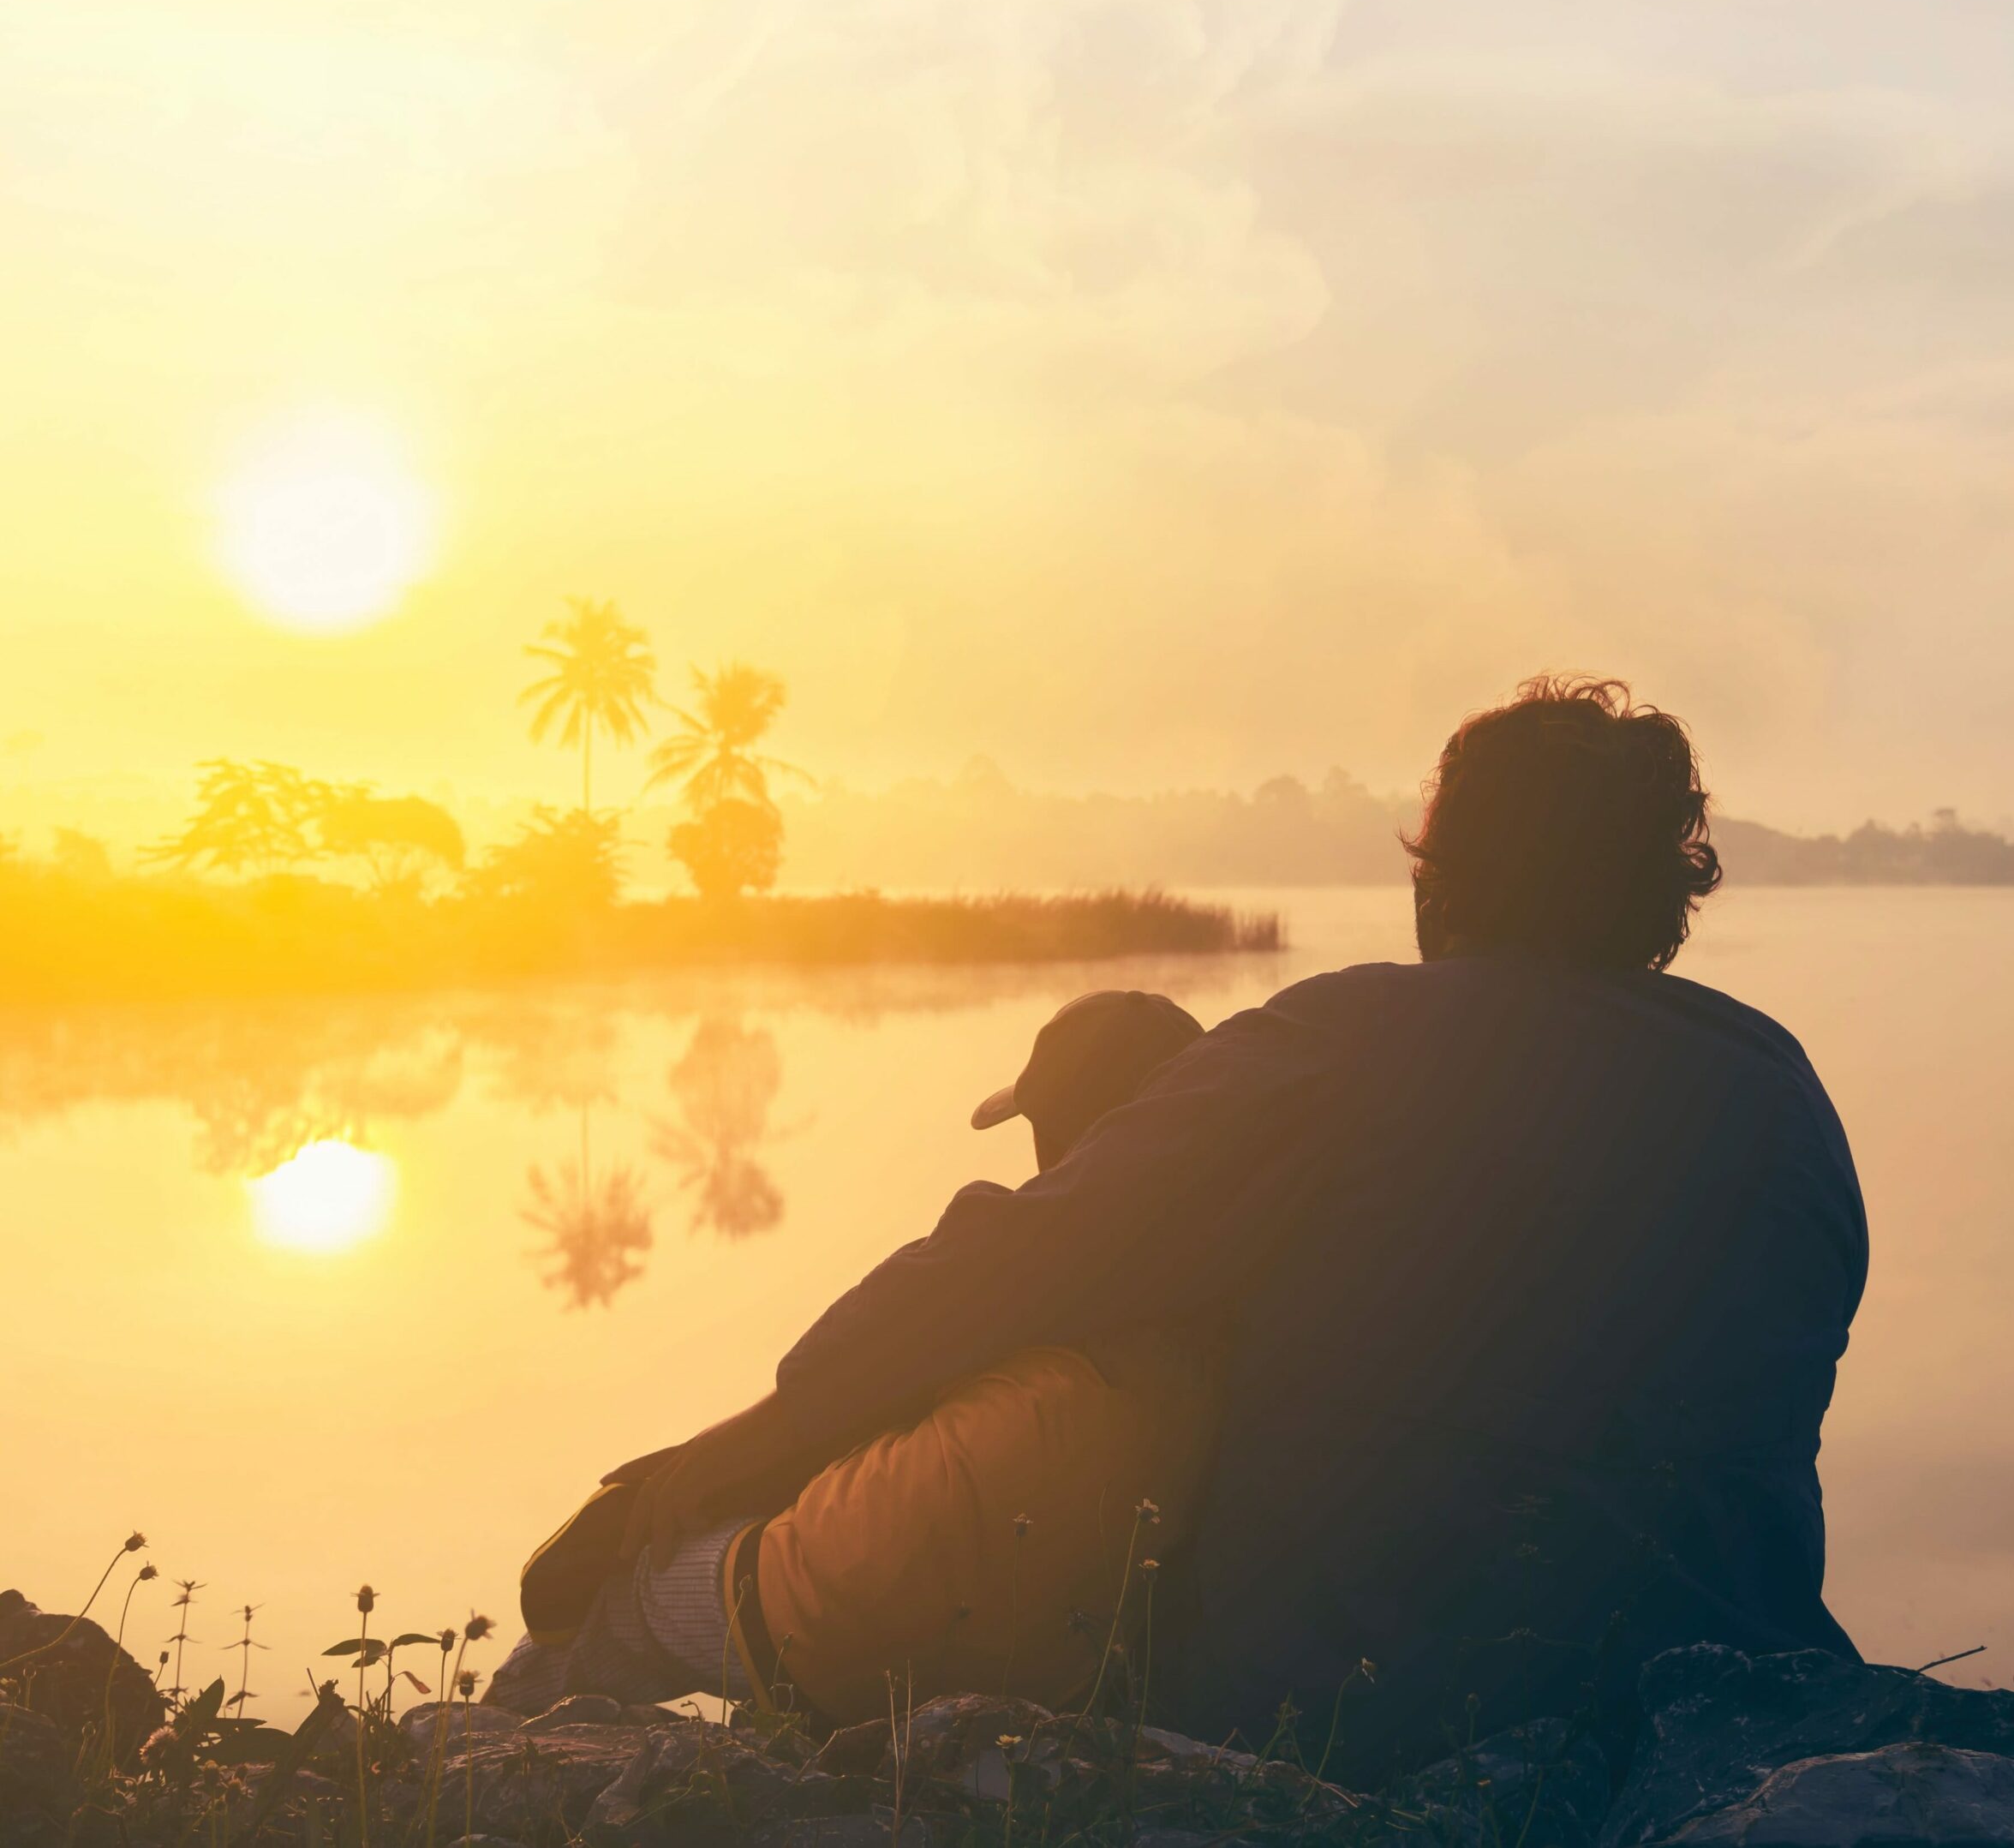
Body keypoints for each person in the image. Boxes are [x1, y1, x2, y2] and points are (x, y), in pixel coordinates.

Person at [594, 677, 1868, 1776]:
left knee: (671, 1563)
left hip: (1343, 1709)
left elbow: (1007, 1268)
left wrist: (729, 1449)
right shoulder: (1783, 1093)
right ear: (1665, 902)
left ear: (1442, 883)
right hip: (1733, 1695)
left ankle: (518, 1718)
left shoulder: (1348, 1041)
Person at [490, 989, 1222, 1723]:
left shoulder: (1036, 1239)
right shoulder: (1223, 1271)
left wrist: (704, 1463)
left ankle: (472, 1748)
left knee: (631, 1597)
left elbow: (877, 1338)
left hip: (865, 1578)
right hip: (1061, 1628)